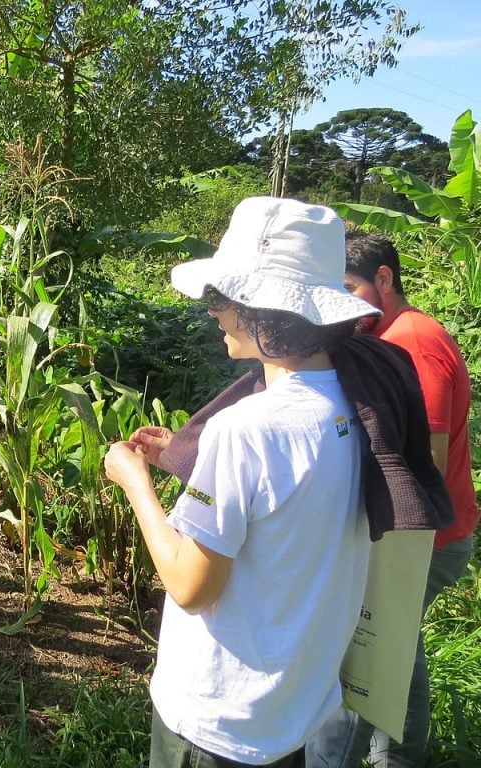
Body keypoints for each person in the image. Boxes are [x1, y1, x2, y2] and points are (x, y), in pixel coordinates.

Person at [104, 197, 382, 766]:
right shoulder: (363, 405)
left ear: (264, 310)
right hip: (293, 711)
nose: (213, 313)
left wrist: (135, 482)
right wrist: (182, 458)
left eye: (221, 300)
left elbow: (191, 585)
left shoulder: (245, 428)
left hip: (217, 721)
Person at [305, 233, 477, 768]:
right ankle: (399, 758)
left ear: (385, 279)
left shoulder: (412, 342)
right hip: (428, 531)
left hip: (419, 535)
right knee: (396, 651)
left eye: (351, 288)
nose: (345, 303)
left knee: (364, 656)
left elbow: (423, 453)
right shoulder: (389, 332)